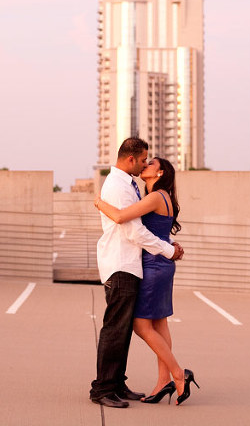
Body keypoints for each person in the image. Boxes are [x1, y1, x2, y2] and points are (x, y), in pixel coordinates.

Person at [95, 156, 199, 406]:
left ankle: (177, 373)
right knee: (160, 324)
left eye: (150, 163)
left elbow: (120, 217)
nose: (145, 166)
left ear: (160, 173)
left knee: (141, 326)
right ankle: (163, 381)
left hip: (153, 265)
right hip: (161, 264)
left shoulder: (155, 197)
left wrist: (99, 202)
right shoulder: (162, 197)